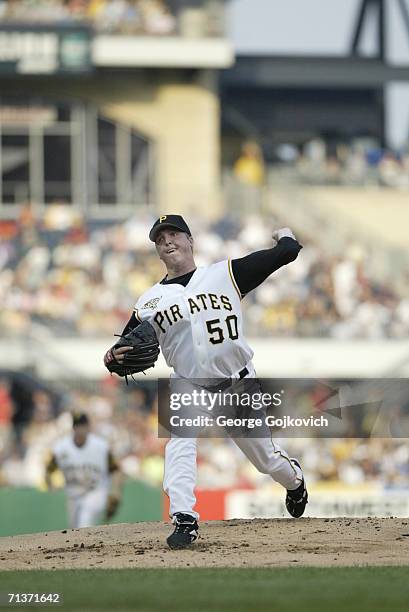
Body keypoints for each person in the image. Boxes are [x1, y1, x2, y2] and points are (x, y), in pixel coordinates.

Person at [104, 214, 308, 549]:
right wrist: (111, 358)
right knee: (180, 445)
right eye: (160, 238)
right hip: (188, 383)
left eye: (174, 234)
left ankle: (295, 481)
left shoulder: (225, 274)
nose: (167, 241)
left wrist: (285, 235)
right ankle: (184, 517)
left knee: (265, 460)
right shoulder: (149, 302)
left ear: (190, 240)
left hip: (237, 382)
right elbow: (122, 349)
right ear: (157, 251)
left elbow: (286, 252)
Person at [45, 412, 123, 529]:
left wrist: (116, 492)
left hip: (96, 492)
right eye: (77, 426)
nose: (80, 429)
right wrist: (50, 484)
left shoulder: (100, 446)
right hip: (73, 495)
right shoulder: (61, 448)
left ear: (88, 427)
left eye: (83, 426)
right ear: (73, 428)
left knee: (84, 523)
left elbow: (116, 470)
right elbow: (49, 469)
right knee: (74, 528)